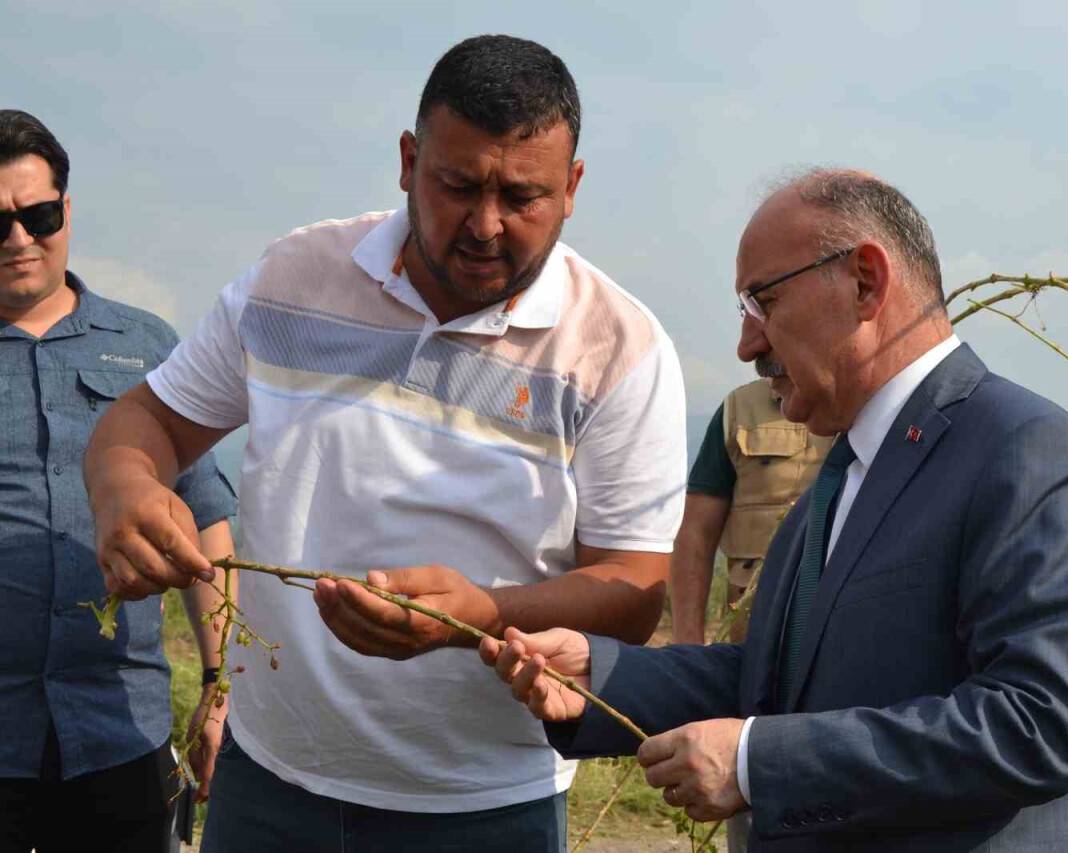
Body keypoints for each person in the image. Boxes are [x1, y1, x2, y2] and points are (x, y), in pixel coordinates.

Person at [83, 35, 685, 852]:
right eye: (458, 184)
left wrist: (481, 616)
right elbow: (143, 422)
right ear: (408, 160)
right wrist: (127, 486)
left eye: (523, 196)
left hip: (481, 806)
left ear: (573, 188)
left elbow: (635, 587)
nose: (485, 223)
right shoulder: (293, 281)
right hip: (270, 781)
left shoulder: (617, 347)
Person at [483, 169, 1068, 852]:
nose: (747, 344)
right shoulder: (844, 474)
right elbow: (780, 676)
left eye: (764, 301)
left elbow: (1039, 722)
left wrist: (755, 762)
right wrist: (603, 674)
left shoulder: (1030, 453)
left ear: (865, 282)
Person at [0, 110, 237, 853]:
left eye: (37, 214)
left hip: (118, 731)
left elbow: (206, 525)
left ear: (66, 210)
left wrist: (219, 687)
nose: (17, 239)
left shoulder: (145, 346)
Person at [671, 379, 833, 645]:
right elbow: (695, 533)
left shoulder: (871, 405)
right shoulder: (740, 409)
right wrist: (687, 643)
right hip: (750, 634)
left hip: (842, 629)